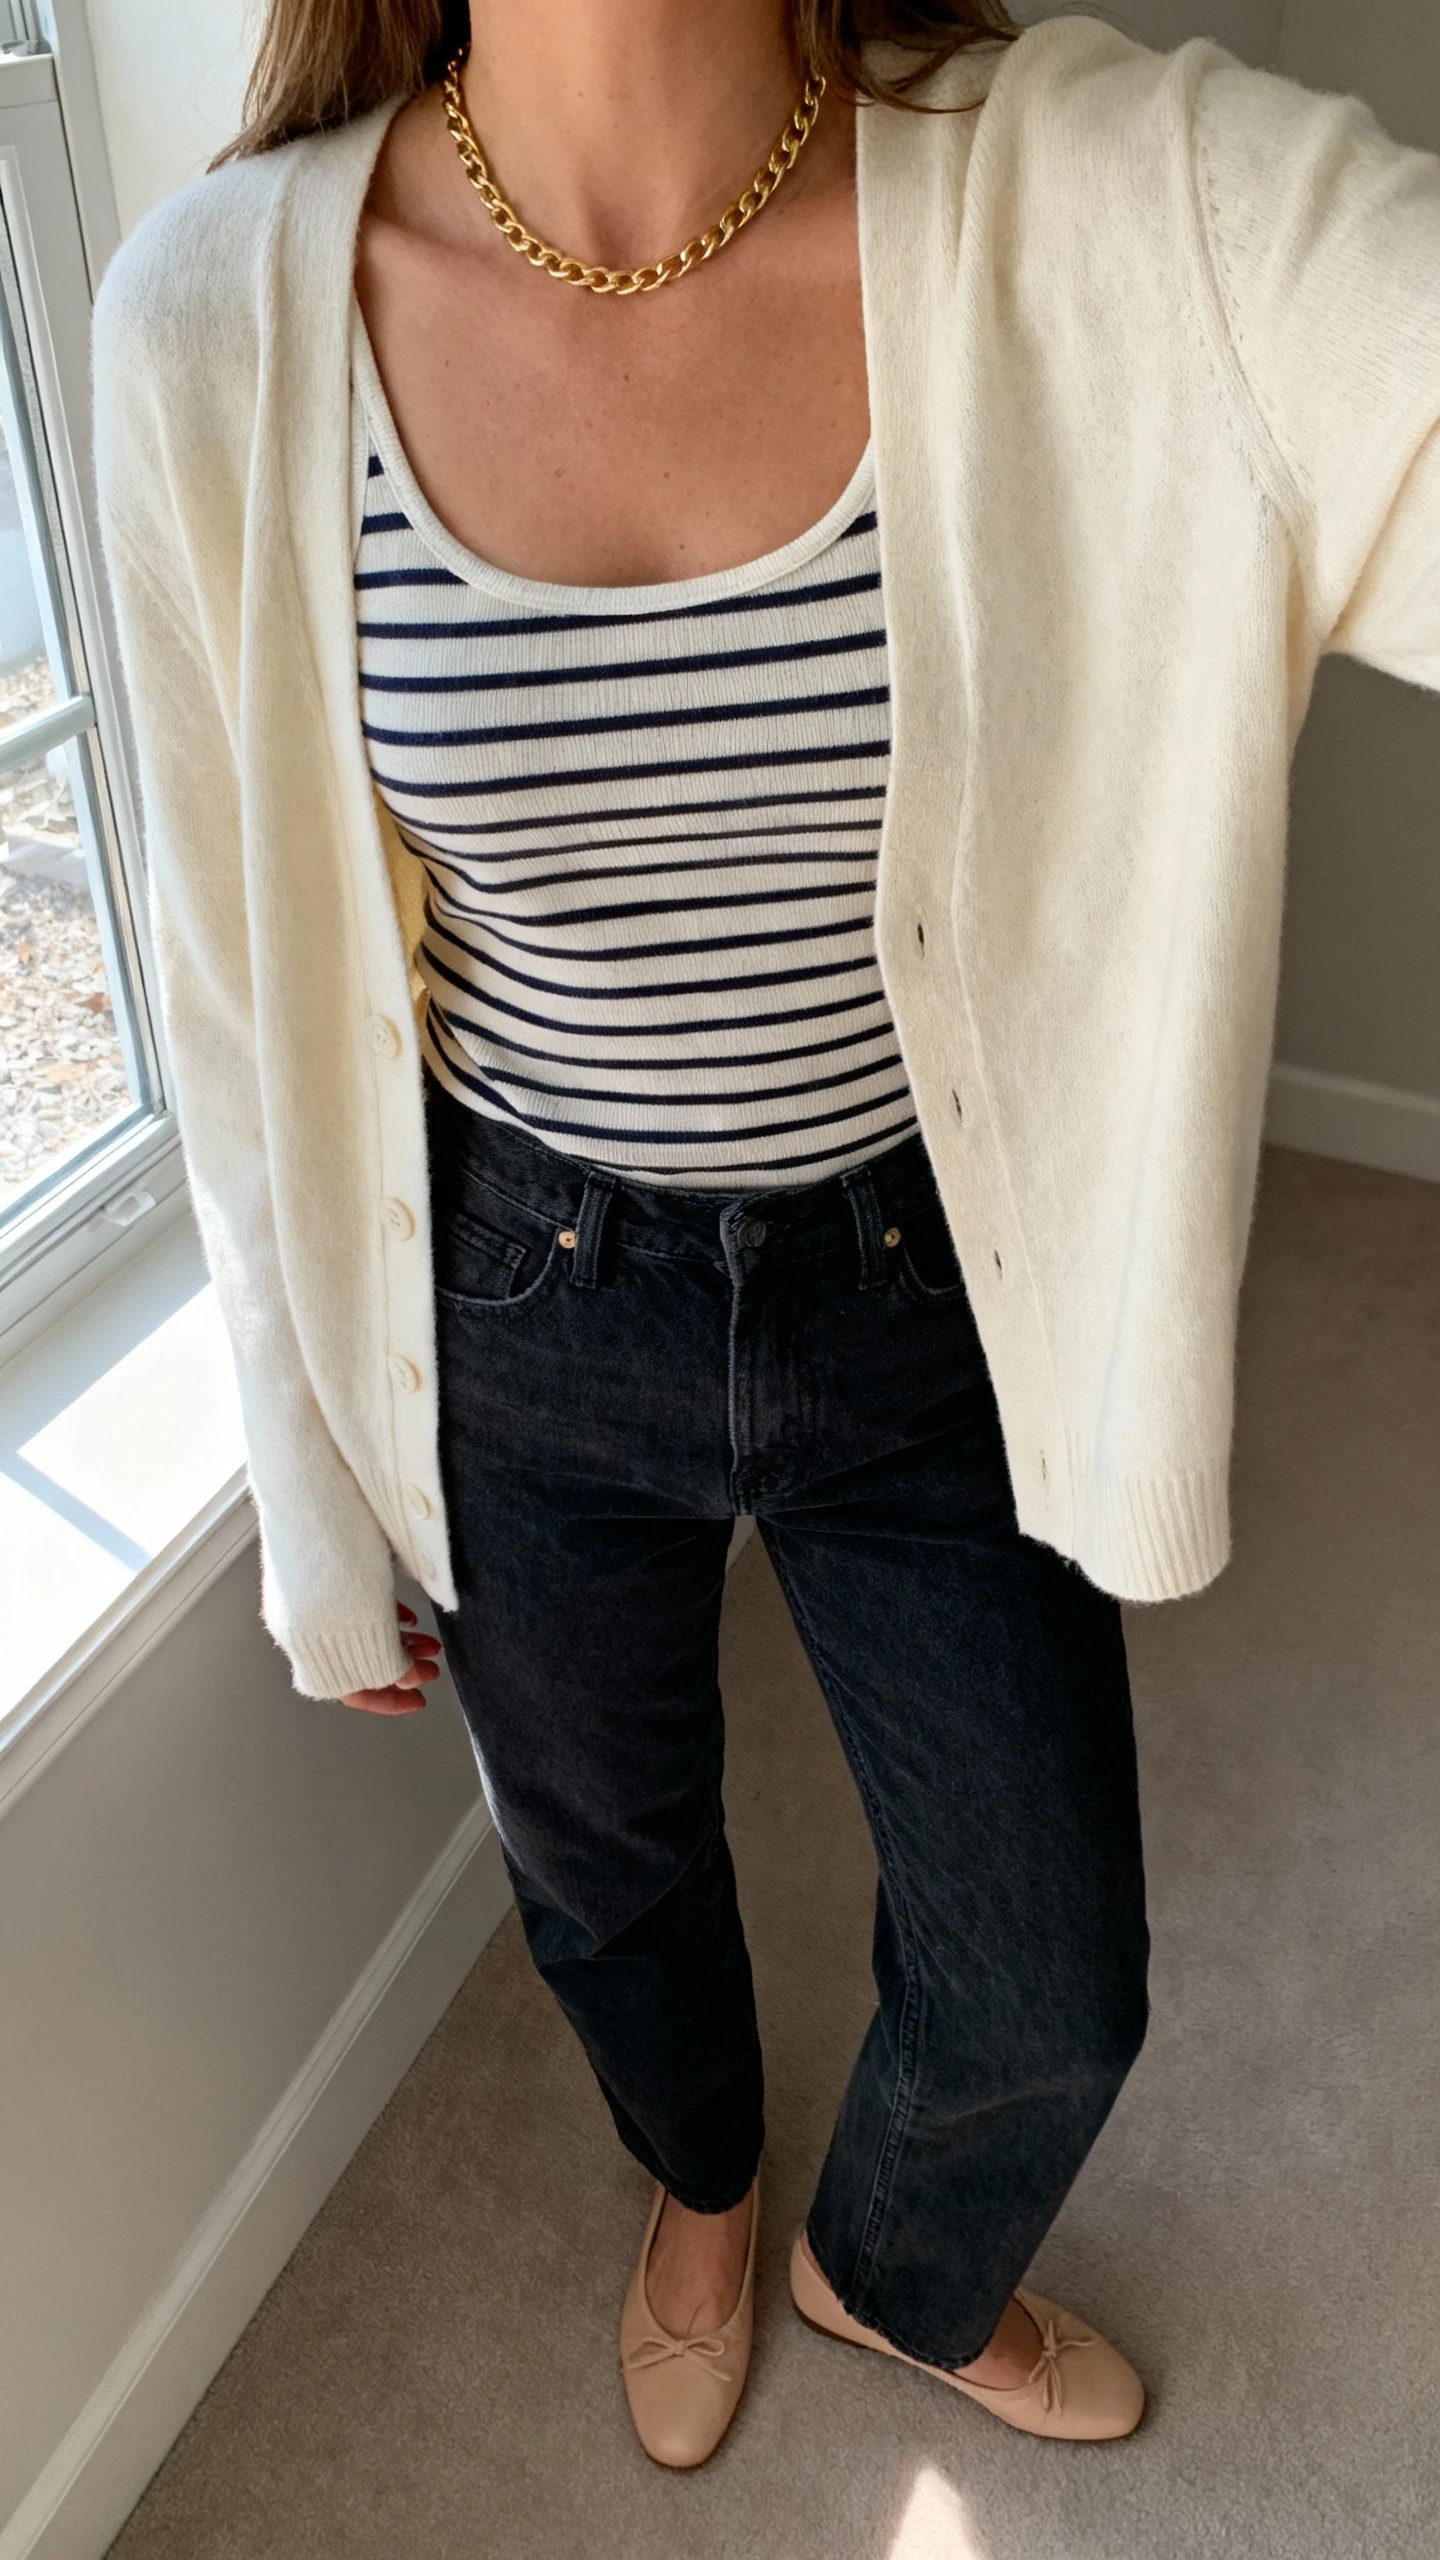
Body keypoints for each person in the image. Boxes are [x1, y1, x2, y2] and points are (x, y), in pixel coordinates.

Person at [92, 0, 1440, 2473]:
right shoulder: (209, 313)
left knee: (1050, 1980)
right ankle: (700, 2184)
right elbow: (230, 982)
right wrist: (315, 1503)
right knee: (604, 1871)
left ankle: (885, 2253)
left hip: (927, 1276)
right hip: (517, 1293)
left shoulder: (1118, 207)